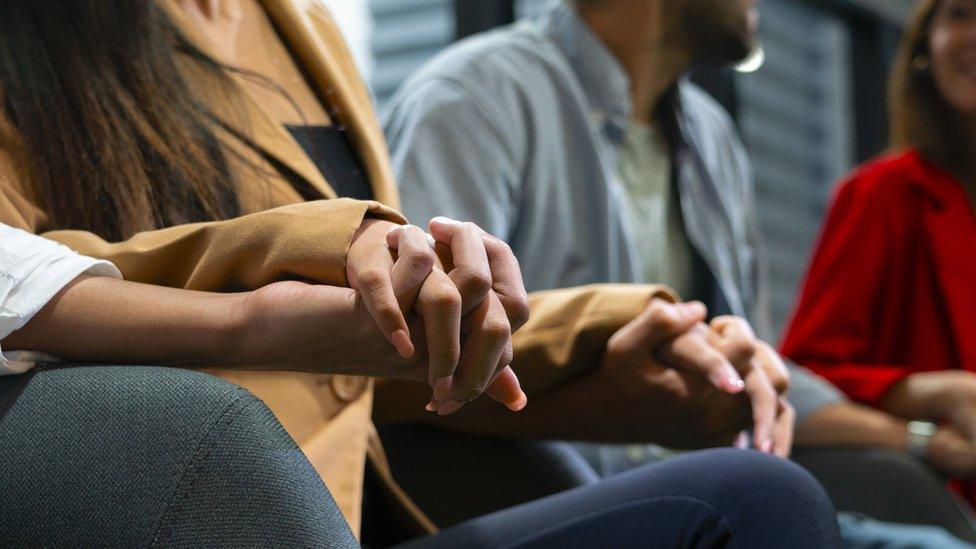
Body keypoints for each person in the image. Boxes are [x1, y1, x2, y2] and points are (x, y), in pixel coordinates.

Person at [0, 1, 841, 546]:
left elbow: (378, 340)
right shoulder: (35, 42)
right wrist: (305, 256)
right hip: (220, 503)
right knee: (754, 502)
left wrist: (625, 336)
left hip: (380, 503)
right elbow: (24, 277)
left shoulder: (301, 30)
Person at [383, 0, 976, 545]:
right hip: (546, 502)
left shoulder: (711, 135)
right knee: (768, 495)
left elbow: (760, 366)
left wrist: (922, 439)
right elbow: (411, 361)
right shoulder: (475, 98)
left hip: (700, 492)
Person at [782, 0, 976, 507]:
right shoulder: (881, 195)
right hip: (932, 504)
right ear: (922, 50)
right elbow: (803, 379)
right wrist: (936, 392)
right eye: (959, 13)